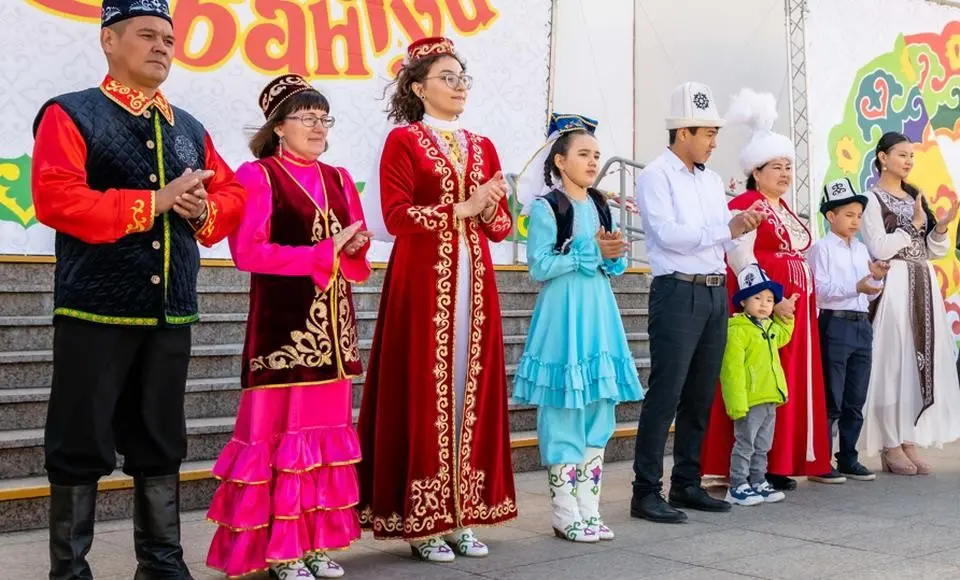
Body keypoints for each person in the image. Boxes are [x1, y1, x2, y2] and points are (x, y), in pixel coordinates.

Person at [30, 1, 247, 577]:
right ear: (109, 40)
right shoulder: (70, 114)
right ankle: (69, 570)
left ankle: (161, 564)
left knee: (160, 440)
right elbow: (57, 199)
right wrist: (156, 201)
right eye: (147, 35)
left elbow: (232, 199)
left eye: (169, 40)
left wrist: (203, 207)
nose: (161, 48)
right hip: (95, 308)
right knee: (78, 443)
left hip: (169, 311)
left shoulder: (189, 127)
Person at [356, 36, 517, 562]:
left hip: (475, 284)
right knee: (424, 387)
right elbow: (397, 216)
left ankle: (463, 514)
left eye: (462, 76)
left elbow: (499, 229)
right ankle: (422, 520)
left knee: (471, 388)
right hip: (423, 281)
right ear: (419, 87)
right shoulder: (403, 142)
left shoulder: (483, 144)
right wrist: (464, 206)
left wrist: (492, 206)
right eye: (447, 77)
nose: (459, 85)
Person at [204, 75, 372, 580]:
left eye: (325, 118)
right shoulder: (258, 176)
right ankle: (280, 552)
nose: (319, 127)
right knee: (280, 439)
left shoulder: (340, 178)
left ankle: (316, 544)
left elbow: (354, 249)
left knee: (323, 443)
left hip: (334, 332)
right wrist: (324, 252)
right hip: (283, 332)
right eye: (308, 118)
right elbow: (248, 252)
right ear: (279, 127)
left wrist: (355, 249)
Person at [631, 81, 763, 524]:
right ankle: (645, 490)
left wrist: (740, 227)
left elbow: (722, 233)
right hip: (676, 290)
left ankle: (686, 483)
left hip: (712, 291)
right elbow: (668, 234)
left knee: (701, 393)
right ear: (682, 132)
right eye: (707, 133)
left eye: (715, 133)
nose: (713, 141)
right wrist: (730, 228)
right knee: (666, 393)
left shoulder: (709, 181)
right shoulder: (655, 175)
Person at [512, 113, 643, 542]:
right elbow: (539, 266)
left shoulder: (602, 204)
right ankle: (564, 510)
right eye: (583, 154)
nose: (592, 162)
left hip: (598, 312)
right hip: (564, 313)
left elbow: (613, 266)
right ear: (560, 160)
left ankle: (589, 507)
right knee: (565, 409)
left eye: (597, 155)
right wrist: (588, 253)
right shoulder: (548, 207)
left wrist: (612, 254)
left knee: (599, 408)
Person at [700, 88, 834, 490]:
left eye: (789, 167)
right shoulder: (746, 203)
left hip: (796, 315)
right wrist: (767, 299)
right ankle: (758, 466)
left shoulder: (785, 209)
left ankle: (782, 460)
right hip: (766, 310)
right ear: (756, 170)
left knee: (784, 384)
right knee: (762, 384)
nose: (785, 174)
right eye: (776, 167)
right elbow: (737, 255)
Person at [858, 131, 960, 474]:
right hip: (895, 283)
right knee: (893, 362)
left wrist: (939, 229)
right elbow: (879, 246)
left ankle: (908, 438)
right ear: (883, 157)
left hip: (922, 283)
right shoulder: (871, 199)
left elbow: (931, 251)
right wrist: (912, 226)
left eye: (911, 156)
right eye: (901, 154)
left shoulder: (915, 195)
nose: (908, 161)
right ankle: (890, 444)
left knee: (920, 361)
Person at [808, 178, 888, 482]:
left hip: (859, 325)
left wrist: (876, 279)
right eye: (848, 214)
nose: (855, 221)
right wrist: (857, 285)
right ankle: (821, 461)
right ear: (831, 216)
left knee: (856, 395)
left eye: (858, 215)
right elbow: (821, 291)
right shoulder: (822, 249)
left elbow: (868, 294)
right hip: (834, 323)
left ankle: (848, 457)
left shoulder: (860, 250)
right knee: (832, 395)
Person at [719, 264, 793, 507]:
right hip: (750, 400)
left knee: (763, 445)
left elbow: (784, 337)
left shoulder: (770, 328)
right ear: (743, 302)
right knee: (745, 444)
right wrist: (736, 403)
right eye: (757, 297)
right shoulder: (737, 331)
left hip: (770, 396)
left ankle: (758, 480)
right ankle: (738, 484)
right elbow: (732, 371)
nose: (764, 304)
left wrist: (788, 318)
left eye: (770, 300)